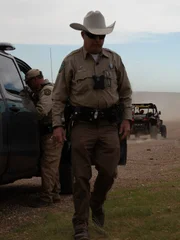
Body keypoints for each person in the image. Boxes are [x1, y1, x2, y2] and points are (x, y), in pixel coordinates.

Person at [52, 10, 132, 240]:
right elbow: (58, 97)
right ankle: (81, 225)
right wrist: (57, 125)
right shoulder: (70, 61)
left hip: (109, 126)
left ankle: (96, 204)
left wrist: (126, 118)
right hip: (82, 127)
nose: (98, 40)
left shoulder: (114, 59)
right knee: (81, 177)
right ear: (83, 35)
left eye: (102, 36)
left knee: (109, 172)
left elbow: (125, 92)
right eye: (93, 35)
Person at [25, 69, 63, 208]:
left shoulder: (47, 91)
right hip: (51, 133)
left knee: (47, 166)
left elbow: (41, 111)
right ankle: (55, 194)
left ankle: (46, 197)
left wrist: (26, 114)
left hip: (51, 134)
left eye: (29, 82)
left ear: (35, 79)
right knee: (52, 165)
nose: (29, 86)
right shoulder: (43, 91)